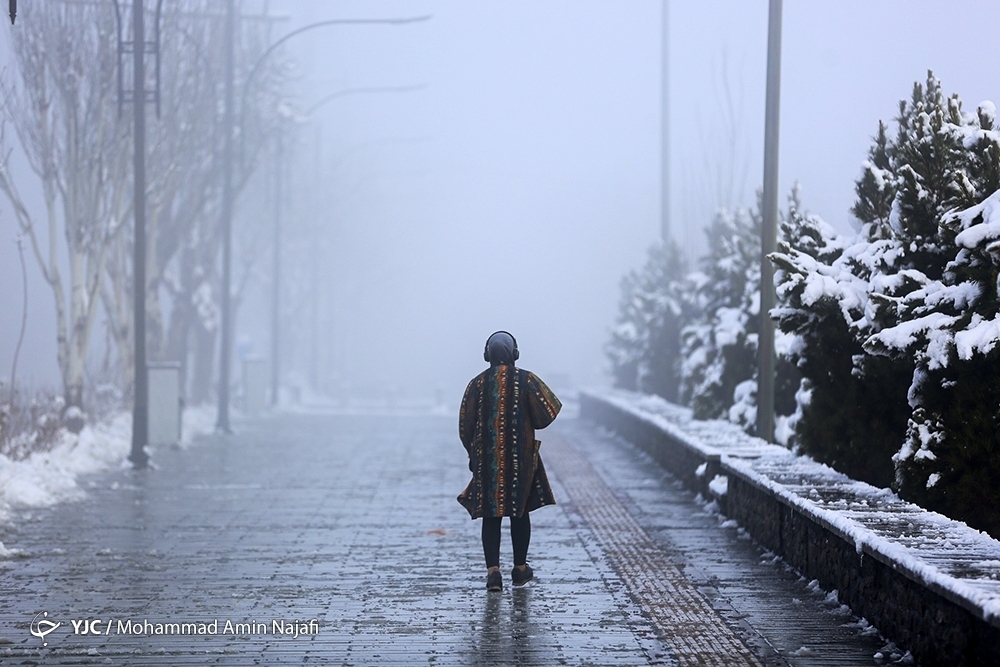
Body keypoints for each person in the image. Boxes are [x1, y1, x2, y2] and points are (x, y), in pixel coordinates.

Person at [458, 331, 562, 592]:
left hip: (486, 460)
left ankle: (493, 573)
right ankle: (519, 568)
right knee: (520, 512)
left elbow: (464, 425)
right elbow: (547, 413)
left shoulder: (476, 384)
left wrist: (474, 453)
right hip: (520, 460)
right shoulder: (527, 380)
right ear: (515, 354)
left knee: (490, 516)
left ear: (486, 355)